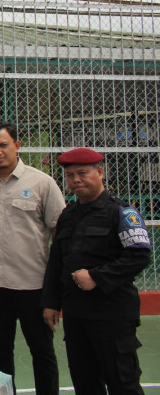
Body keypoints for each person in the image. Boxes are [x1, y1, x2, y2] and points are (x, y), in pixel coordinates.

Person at [42, 148, 151, 395]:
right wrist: (50, 302)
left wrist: (97, 277)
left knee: (122, 383)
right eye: (70, 175)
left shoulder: (121, 212)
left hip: (112, 314)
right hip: (77, 315)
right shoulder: (68, 215)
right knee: (85, 382)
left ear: (100, 173)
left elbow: (139, 256)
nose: (75, 180)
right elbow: (57, 262)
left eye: (82, 173)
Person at [0, 120, 65, 395]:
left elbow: (59, 234)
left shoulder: (42, 183)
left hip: (33, 284)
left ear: (17, 145)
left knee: (42, 351)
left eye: (3, 145)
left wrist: (55, 289)